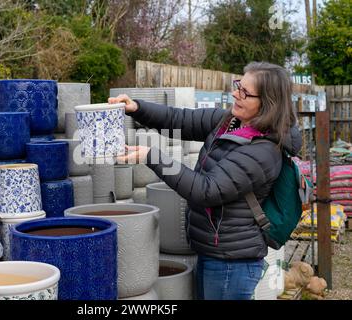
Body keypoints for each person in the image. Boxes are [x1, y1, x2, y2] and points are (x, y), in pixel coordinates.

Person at [108, 61, 302, 300]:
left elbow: (207, 190)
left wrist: (151, 156)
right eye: (238, 85)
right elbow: (179, 120)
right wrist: (136, 108)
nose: (235, 93)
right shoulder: (230, 122)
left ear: (267, 104)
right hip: (216, 253)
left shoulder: (263, 151)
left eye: (245, 92)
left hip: (232, 263)